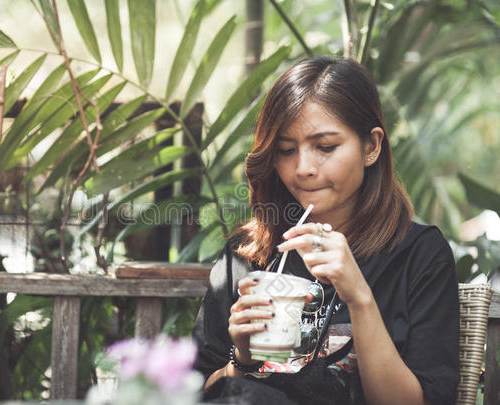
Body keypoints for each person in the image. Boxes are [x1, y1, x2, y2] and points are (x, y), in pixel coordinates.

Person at [192, 56, 459, 405]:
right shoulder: (246, 258)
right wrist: (241, 360)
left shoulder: (420, 256)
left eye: (326, 147)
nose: (303, 168)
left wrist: (359, 297)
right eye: (286, 150)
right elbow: (192, 392)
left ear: (371, 146)